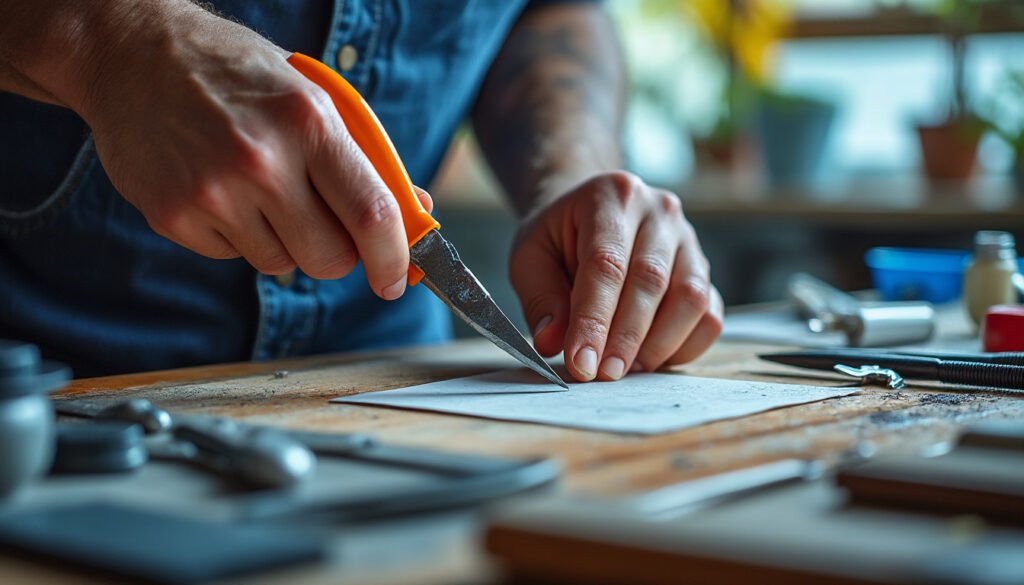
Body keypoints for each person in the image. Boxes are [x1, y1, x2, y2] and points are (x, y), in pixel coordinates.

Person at [0, 0, 722, 381]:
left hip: (391, 386)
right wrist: (113, 36)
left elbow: (544, 10)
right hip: (41, 384)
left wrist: (575, 166)